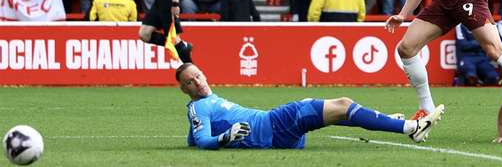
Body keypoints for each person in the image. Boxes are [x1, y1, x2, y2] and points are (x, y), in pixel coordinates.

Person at [177, 63, 444, 149]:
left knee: (332, 107)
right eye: (190, 82)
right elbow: (202, 141)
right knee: (342, 104)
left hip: (277, 131)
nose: (198, 82)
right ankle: (411, 127)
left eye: (198, 75)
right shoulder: (198, 106)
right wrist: (225, 138)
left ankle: (386, 119)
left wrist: (220, 136)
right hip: (274, 126)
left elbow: (193, 139)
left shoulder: (204, 105)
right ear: (184, 89)